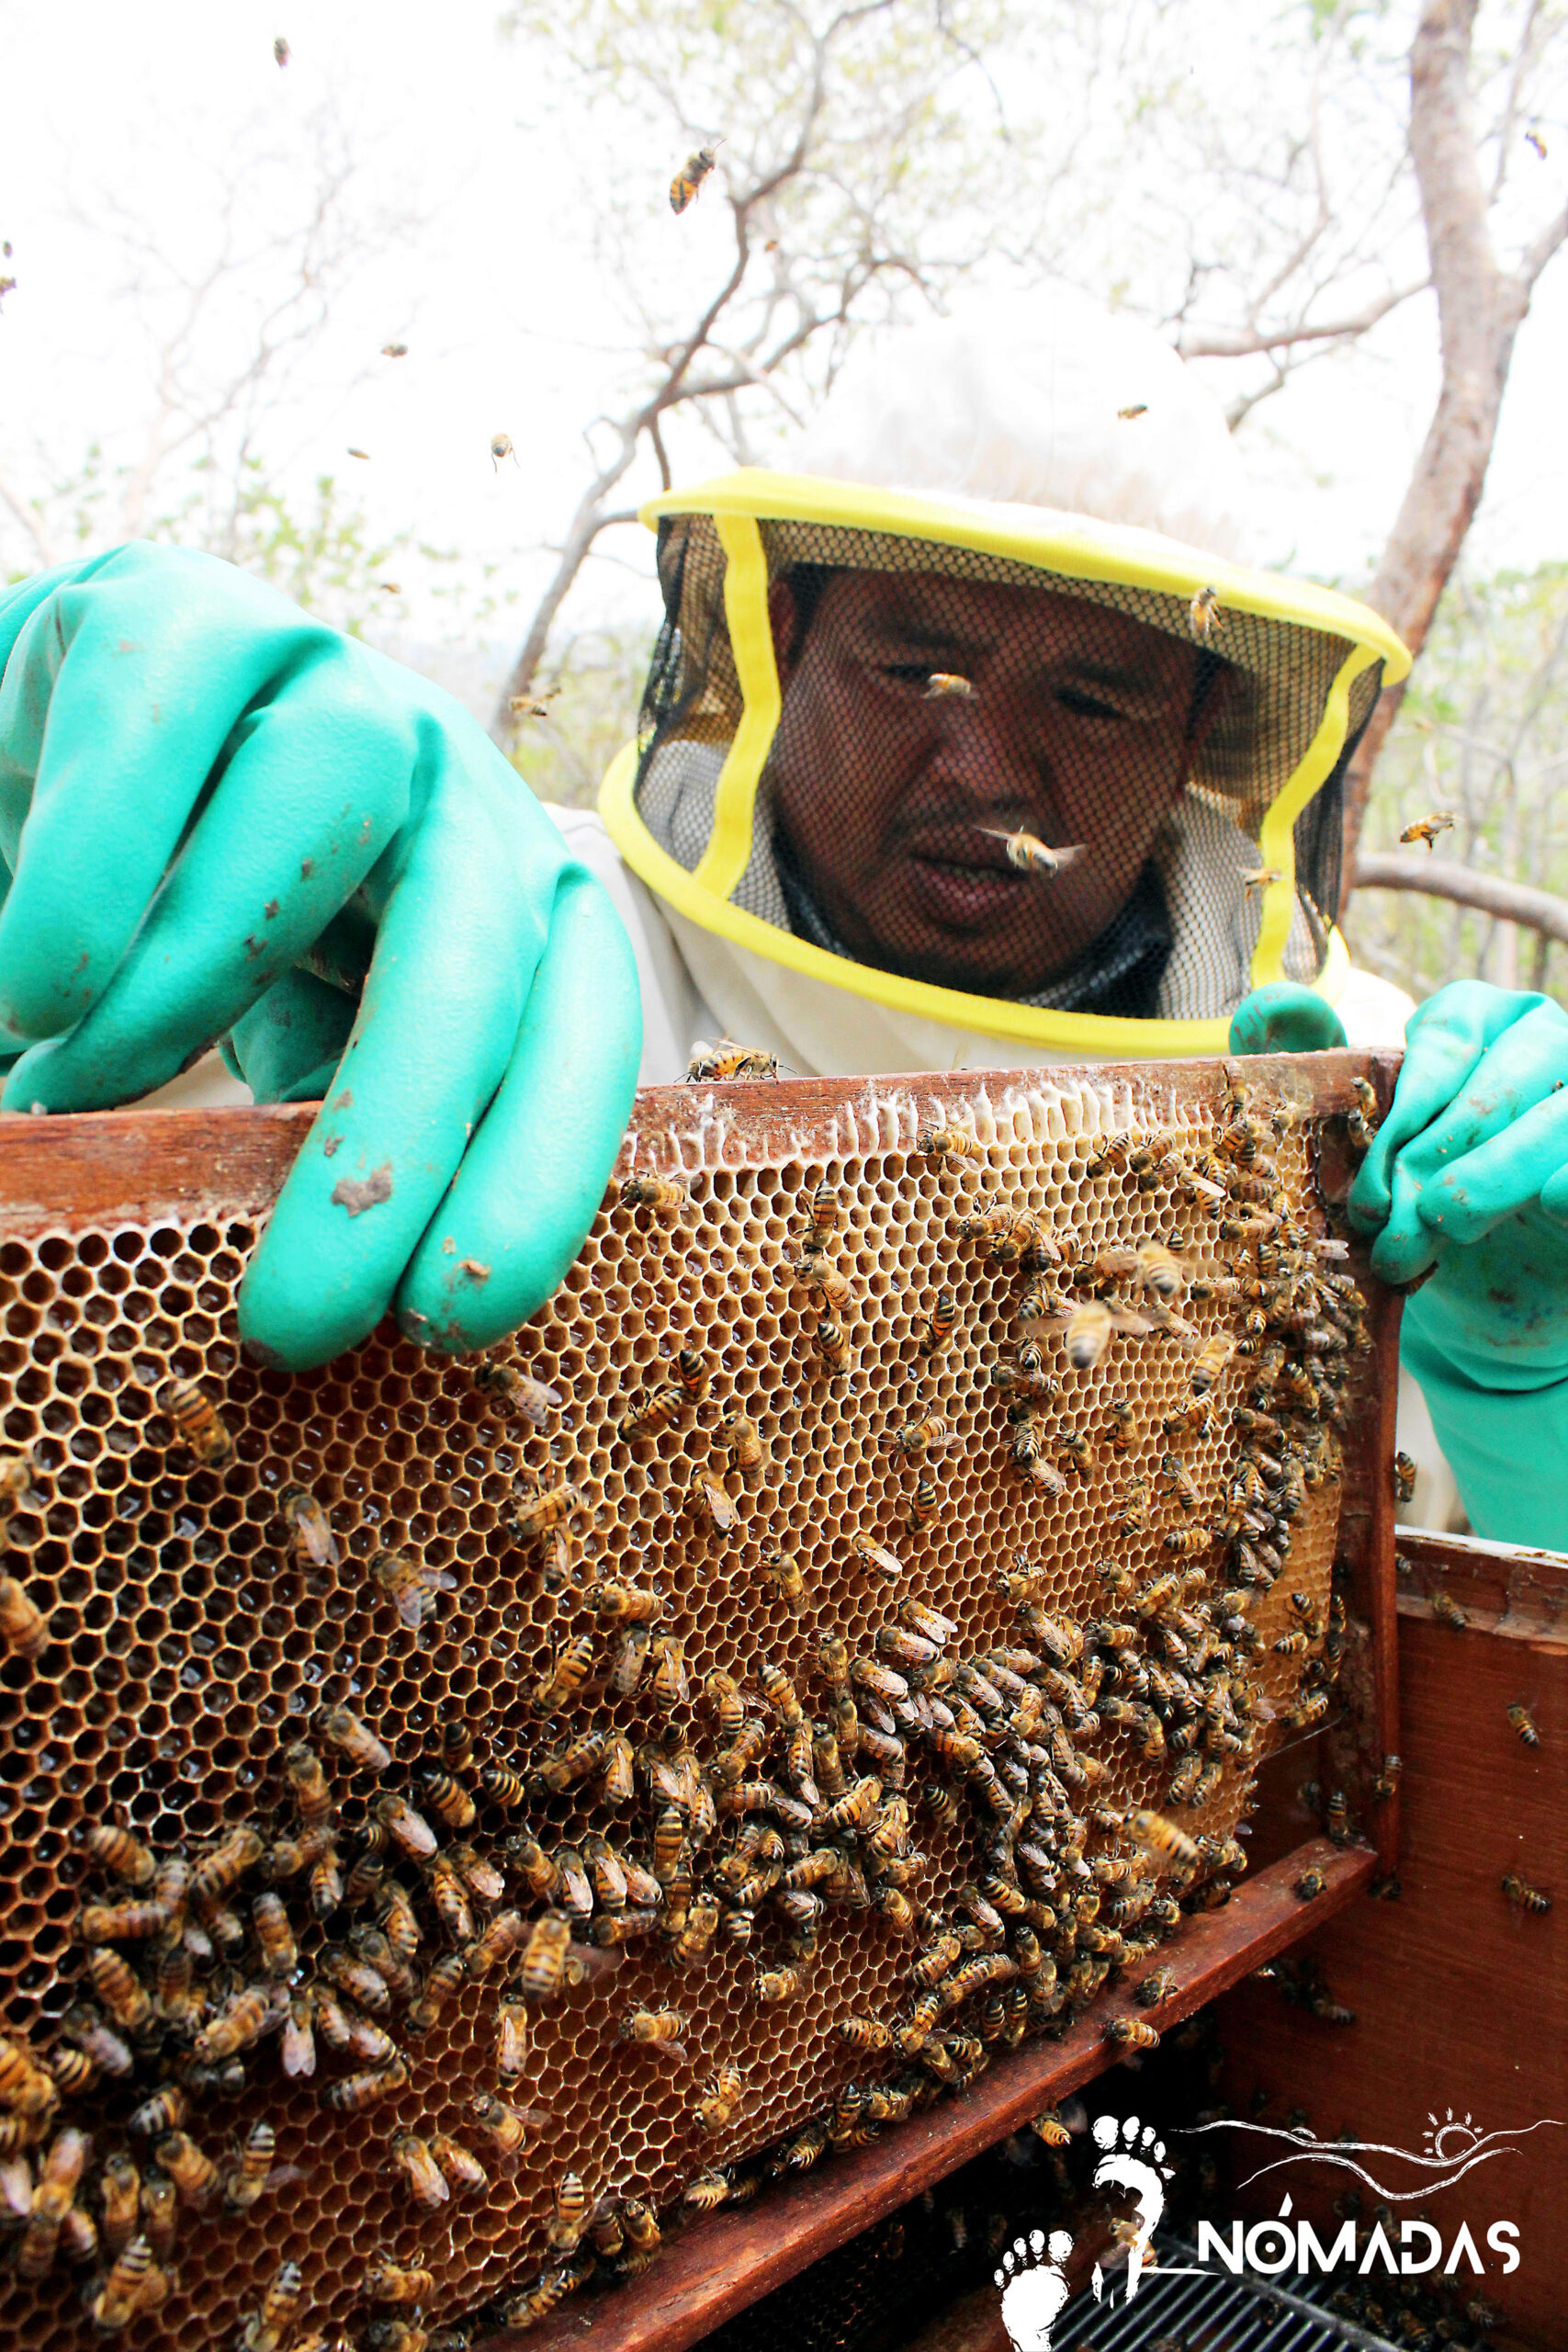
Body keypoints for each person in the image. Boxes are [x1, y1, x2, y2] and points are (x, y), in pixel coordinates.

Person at [1, 293, 1565, 1545]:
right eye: (912, 668)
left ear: (1194, 734)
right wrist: (106, 804)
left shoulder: (1373, 1094)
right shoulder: (490, 936)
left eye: (1093, 698)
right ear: (787, 633)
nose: (988, 768)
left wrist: (1530, 1377)